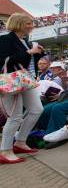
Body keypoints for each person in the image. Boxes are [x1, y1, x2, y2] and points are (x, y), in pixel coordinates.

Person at [0, 13, 44, 163]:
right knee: (15, 117)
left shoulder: (25, 40)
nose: (31, 26)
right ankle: (5, 151)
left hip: (25, 80)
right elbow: (5, 61)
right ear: (18, 24)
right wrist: (28, 52)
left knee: (37, 109)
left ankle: (20, 141)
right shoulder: (5, 39)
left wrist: (37, 53)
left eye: (31, 23)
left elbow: (27, 61)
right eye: (28, 23)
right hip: (10, 82)